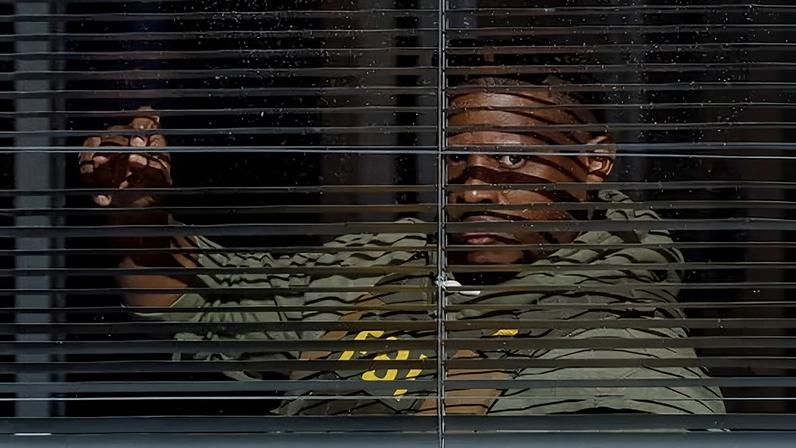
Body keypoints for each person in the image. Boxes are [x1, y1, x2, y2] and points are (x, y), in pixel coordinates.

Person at [79, 76, 725, 416]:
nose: (472, 191)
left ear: (594, 163)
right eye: (456, 162)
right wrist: (139, 212)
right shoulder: (387, 259)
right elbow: (203, 306)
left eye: (507, 159)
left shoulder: (616, 316)